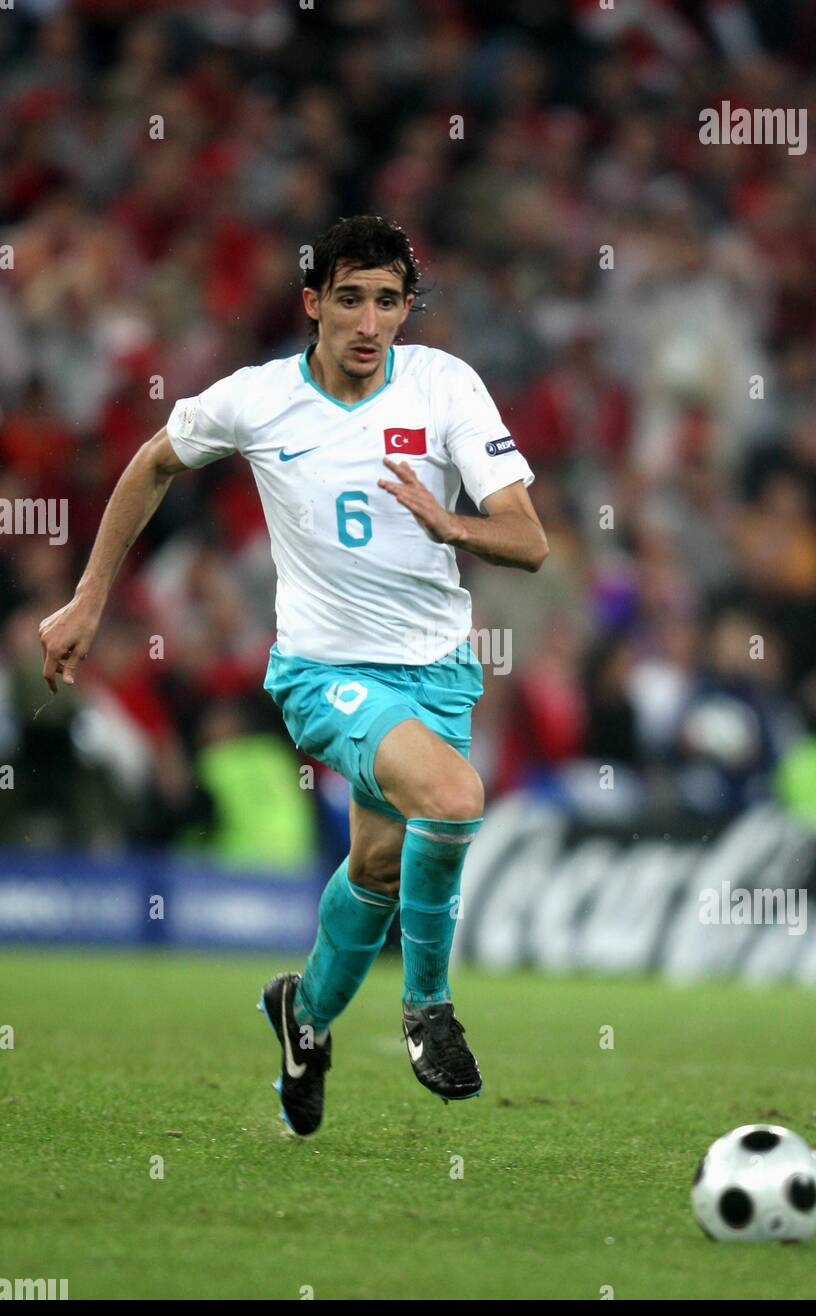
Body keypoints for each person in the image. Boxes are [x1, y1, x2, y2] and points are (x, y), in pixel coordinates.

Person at [38, 214, 548, 1135]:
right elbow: (154, 463)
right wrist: (87, 599)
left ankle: (303, 1017)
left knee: (381, 867)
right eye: (349, 298)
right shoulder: (258, 399)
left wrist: (452, 525)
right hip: (321, 671)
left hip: (436, 671)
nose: (369, 322)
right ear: (312, 303)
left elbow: (530, 539)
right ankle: (426, 1008)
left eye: (388, 302)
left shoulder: (445, 386)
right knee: (454, 796)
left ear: (405, 311)